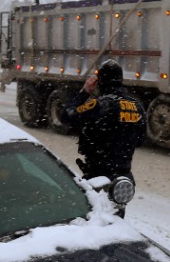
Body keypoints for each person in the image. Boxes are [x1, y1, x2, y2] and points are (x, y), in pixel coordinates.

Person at [61, 59, 147, 215]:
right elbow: (140, 140)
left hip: (99, 177)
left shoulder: (99, 105)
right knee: (116, 219)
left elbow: (67, 117)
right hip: (123, 179)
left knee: (94, 221)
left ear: (100, 82)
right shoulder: (137, 106)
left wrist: (84, 92)